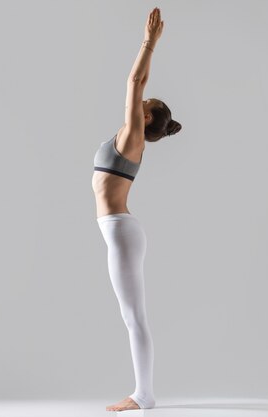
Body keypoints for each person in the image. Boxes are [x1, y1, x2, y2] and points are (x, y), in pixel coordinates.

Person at [91, 7, 182, 412]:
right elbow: (137, 84)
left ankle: (143, 395)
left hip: (122, 233)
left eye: (144, 102)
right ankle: (143, 393)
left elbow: (134, 79)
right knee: (131, 316)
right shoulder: (128, 136)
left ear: (144, 117)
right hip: (120, 230)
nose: (138, 99)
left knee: (133, 318)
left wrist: (149, 43)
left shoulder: (132, 137)